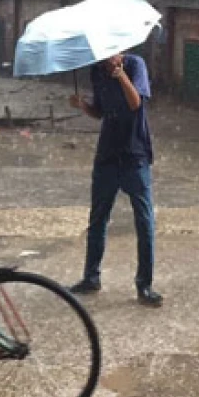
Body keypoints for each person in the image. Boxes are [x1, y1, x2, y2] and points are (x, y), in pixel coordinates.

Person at [68, 53, 163, 307]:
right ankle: (91, 277)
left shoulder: (135, 64)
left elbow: (136, 104)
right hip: (107, 155)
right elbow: (101, 112)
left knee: (144, 221)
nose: (106, 57)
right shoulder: (96, 70)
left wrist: (120, 74)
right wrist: (83, 105)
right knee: (98, 217)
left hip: (135, 154)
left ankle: (144, 285)